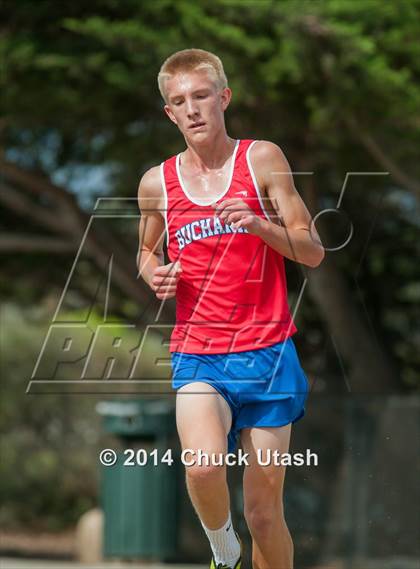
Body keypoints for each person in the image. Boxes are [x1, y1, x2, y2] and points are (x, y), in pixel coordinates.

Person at [137, 48, 324, 569]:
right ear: (169, 114)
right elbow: (146, 253)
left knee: (265, 515)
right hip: (200, 354)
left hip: (268, 353)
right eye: (180, 101)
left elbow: (312, 250)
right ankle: (223, 552)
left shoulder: (261, 159)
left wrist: (260, 225)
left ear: (224, 98)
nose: (193, 109)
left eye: (202, 96)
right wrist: (157, 274)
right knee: (201, 467)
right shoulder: (158, 184)